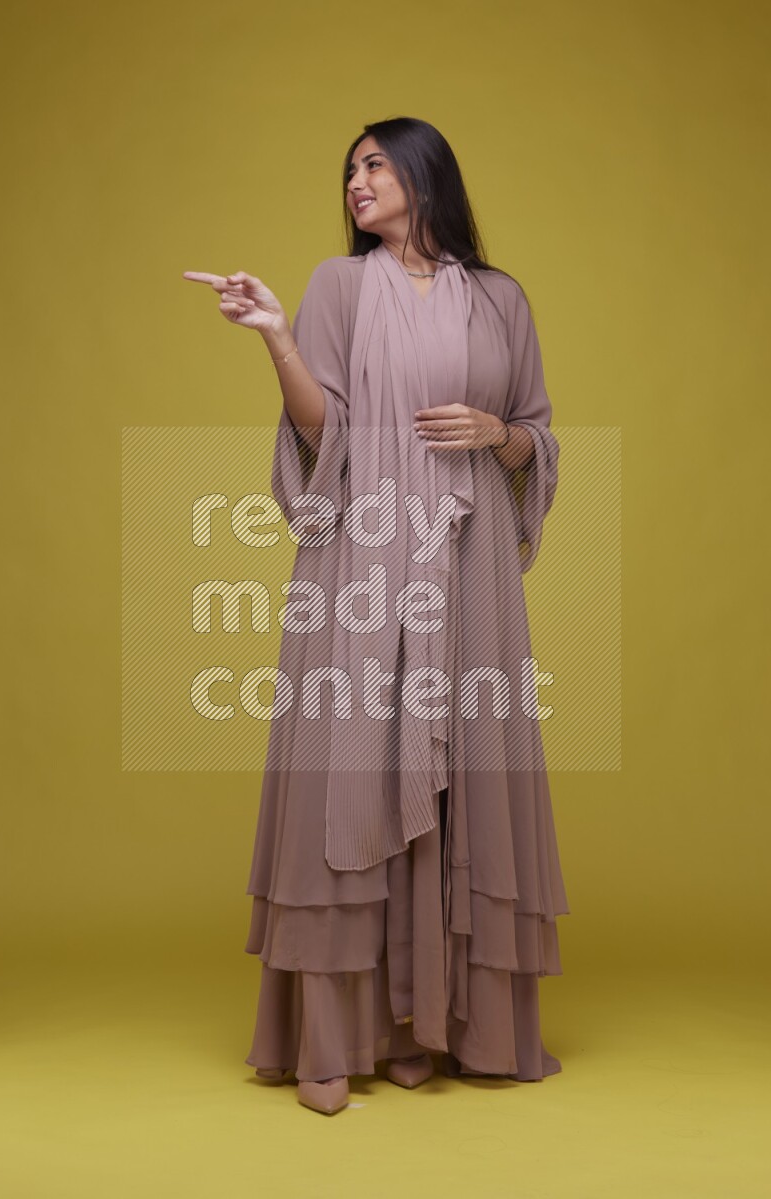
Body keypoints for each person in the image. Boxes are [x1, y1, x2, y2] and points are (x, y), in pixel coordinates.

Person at [183, 116, 570, 1117]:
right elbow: (325, 426)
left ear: (422, 173)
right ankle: (331, 1038)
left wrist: (498, 433)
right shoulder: (336, 286)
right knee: (352, 772)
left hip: (469, 559)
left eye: (373, 163)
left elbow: (533, 433)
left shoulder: (498, 300)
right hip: (361, 549)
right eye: (348, 170)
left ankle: (422, 1025)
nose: (356, 182)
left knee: (459, 776)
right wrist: (275, 336)